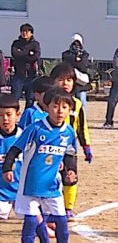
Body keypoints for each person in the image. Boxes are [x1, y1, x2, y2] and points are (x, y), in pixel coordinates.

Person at [2, 88, 81, 243]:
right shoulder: (35, 129)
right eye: (55, 106)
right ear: (47, 107)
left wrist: (71, 171)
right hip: (30, 185)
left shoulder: (69, 132)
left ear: (70, 110)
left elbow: (70, 154)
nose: (59, 111)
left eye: (64, 107)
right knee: (30, 222)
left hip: (52, 186)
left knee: (62, 221)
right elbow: (14, 150)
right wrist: (8, 168)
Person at [50, 63, 93, 218]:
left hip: (69, 149)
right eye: (61, 79)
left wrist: (86, 147)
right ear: (53, 81)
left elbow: (82, 127)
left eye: (69, 80)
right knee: (49, 177)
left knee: (70, 176)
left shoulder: (77, 104)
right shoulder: (48, 102)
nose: (65, 83)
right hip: (49, 148)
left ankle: (68, 208)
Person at [0, 93, 23, 221]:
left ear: (17, 115)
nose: (5, 119)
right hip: (1, 194)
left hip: (23, 194)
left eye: (9, 114)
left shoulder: (26, 137)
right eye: (0, 115)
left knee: (35, 220)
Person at [10, 23, 41, 106]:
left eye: (27, 31)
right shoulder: (16, 43)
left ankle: (27, 113)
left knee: (30, 99)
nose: (25, 33)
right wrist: (29, 53)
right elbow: (15, 54)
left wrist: (22, 53)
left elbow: (36, 56)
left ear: (31, 33)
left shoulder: (35, 44)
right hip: (18, 75)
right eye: (23, 31)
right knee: (15, 98)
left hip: (31, 75)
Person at [61, 33, 91, 109]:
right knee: (69, 100)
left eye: (78, 43)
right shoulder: (66, 53)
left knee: (82, 100)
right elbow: (66, 62)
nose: (76, 45)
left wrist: (75, 61)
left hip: (80, 82)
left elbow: (82, 65)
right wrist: (76, 59)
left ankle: (83, 115)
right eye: (74, 43)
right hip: (70, 79)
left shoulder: (84, 54)